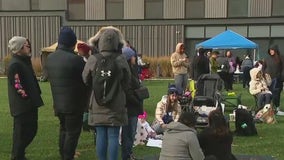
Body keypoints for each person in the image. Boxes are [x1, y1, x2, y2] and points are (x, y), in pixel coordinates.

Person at [82, 26, 130, 160]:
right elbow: (128, 80)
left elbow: (85, 79)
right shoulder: (121, 59)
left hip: (97, 102)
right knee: (114, 136)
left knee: (101, 134)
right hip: (116, 102)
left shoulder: (93, 59)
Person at [46, 27, 88, 160]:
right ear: (72, 43)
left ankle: (63, 153)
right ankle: (68, 156)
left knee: (63, 129)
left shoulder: (50, 58)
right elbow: (85, 79)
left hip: (58, 103)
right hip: (74, 103)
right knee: (72, 133)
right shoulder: (76, 60)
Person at [7, 36, 44, 160]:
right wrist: (27, 99)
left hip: (30, 104)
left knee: (31, 130)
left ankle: (20, 155)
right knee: (22, 134)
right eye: (26, 45)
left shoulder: (24, 61)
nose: (29, 47)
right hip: (23, 106)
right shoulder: (15, 64)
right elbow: (17, 85)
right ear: (19, 48)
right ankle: (17, 156)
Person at [121, 47, 143, 160]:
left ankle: (129, 153)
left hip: (133, 107)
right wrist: (137, 100)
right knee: (129, 133)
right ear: (129, 58)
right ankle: (127, 155)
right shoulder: (127, 73)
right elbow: (128, 93)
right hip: (130, 108)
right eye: (134, 56)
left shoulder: (132, 70)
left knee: (130, 132)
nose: (135, 58)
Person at [263, 45, 284, 116]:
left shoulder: (281, 57)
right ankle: (268, 108)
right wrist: (263, 75)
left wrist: (281, 76)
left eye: (272, 50)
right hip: (268, 79)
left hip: (277, 79)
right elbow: (263, 67)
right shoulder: (267, 58)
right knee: (268, 93)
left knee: (276, 93)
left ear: (275, 50)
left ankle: (277, 108)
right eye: (270, 50)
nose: (271, 51)